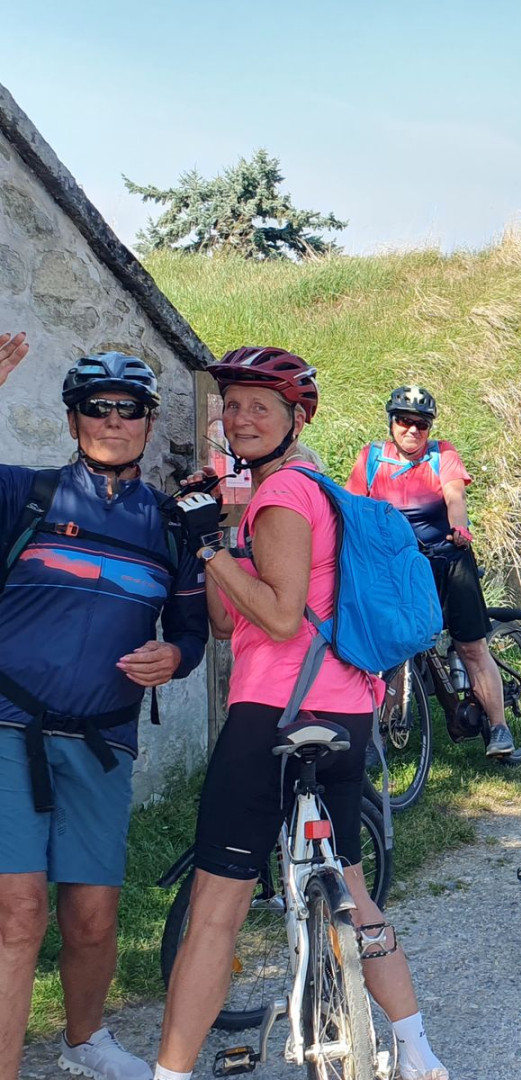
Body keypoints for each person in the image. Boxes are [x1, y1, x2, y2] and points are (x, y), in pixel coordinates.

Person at [155, 348, 447, 1080]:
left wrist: (208, 550)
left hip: (272, 715)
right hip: (346, 714)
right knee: (352, 886)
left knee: (214, 912)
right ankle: (416, 1049)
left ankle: (169, 1073)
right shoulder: (303, 493)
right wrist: (217, 539)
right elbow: (227, 622)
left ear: (297, 418)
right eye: (232, 404)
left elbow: (282, 619)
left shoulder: (283, 494)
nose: (240, 417)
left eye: (260, 406)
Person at [0, 334, 207, 1080]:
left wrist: (175, 658)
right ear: (72, 419)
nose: (112, 420)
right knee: (19, 913)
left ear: (149, 423)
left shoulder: (171, 525)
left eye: (129, 408)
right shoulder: (25, 495)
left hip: (103, 737)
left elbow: (191, 629)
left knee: (91, 918)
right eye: (96, 407)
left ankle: (83, 1039)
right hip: (9, 725)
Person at [345, 385, 511, 755]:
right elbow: (353, 508)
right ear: (391, 423)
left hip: (446, 556)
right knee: (389, 645)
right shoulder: (372, 458)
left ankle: (500, 727)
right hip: (394, 565)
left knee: (470, 646)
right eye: (404, 421)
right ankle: (378, 731)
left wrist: (460, 527)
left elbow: (455, 495)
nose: (412, 430)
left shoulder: (442, 454)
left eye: (421, 424)